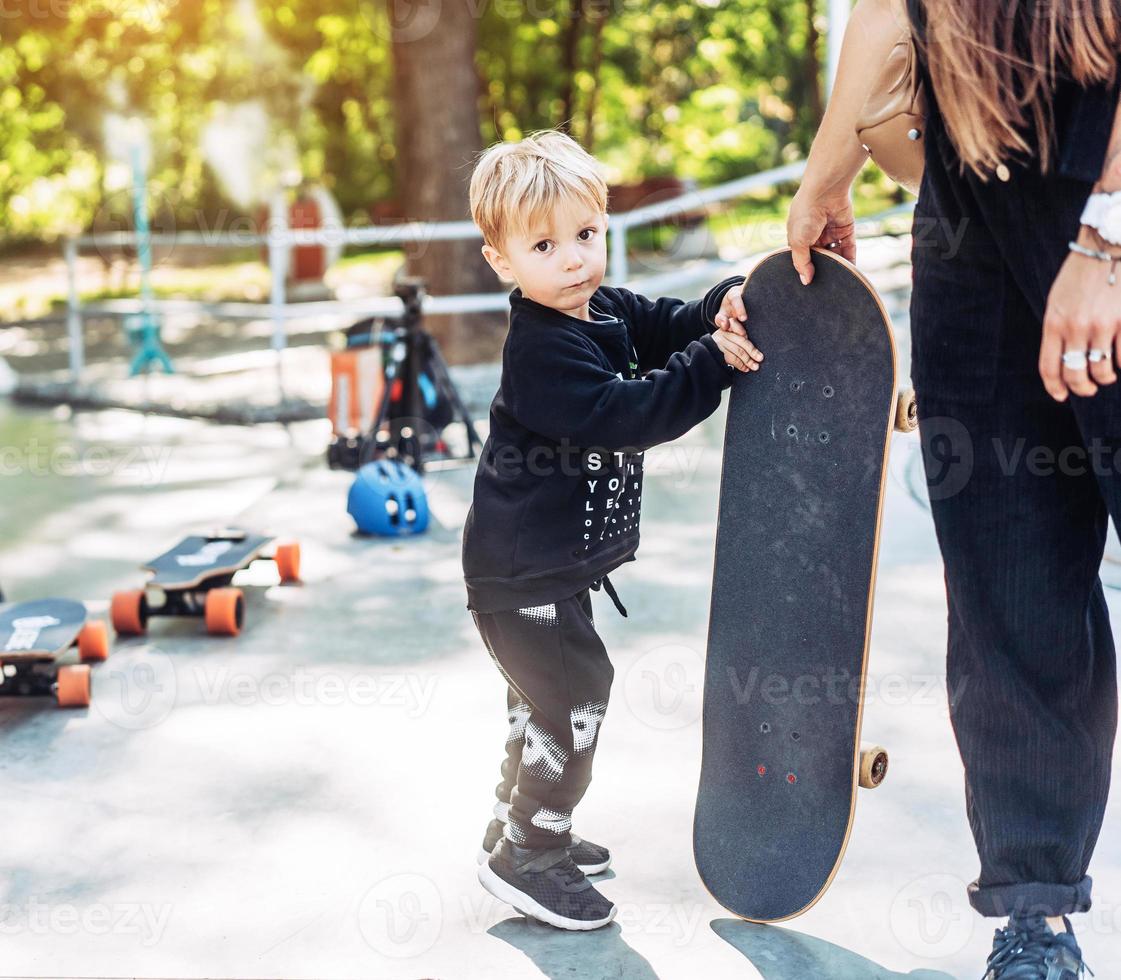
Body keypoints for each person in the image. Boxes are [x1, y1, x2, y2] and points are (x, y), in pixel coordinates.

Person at [768, 0, 1121, 975]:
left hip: (1104, 172)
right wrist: (825, 172)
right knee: (1007, 568)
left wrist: (1105, 239)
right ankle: (1033, 908)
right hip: (969, 196)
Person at [461, 130, 761, 930]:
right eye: (545, 245)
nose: (573, 260)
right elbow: (621, 416)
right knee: (575, 702)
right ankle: (530, 854)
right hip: (521, 572)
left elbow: (666, 320)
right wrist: (711, 366)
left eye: (586, 235)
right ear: (502, 261)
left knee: (539, 703)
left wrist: (718, 305)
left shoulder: (598, 310)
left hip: (548, 570)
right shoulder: (542, 350)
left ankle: (516, 821)